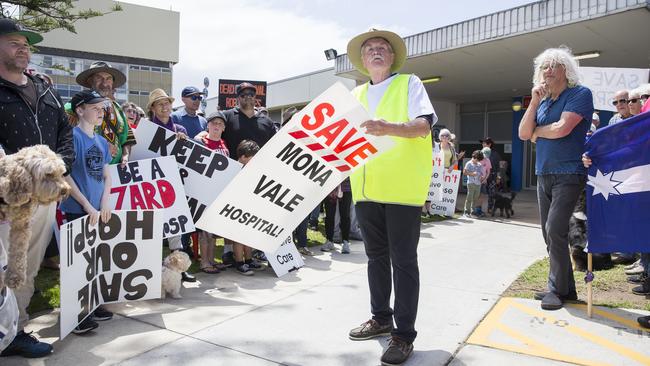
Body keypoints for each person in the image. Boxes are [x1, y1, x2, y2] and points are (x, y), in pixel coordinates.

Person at [345, 29, 437, 366]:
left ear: (392, 56)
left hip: (401, 190)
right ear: (363, 59)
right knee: (375, 259)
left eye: (383, 48)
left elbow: (423, 127)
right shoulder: (354, 94)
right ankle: (380, 317)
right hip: (366, 190)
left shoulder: (409, 83)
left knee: (403, 262)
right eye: (370, 48)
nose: (377, 51)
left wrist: (388, 128)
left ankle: (403, 335)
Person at [0, 19, 73, 358]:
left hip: (42, 202)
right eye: (14, 42)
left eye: (26, 43)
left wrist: (61, 170)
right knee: (2, 269)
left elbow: (64, 132)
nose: (24, 47)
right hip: (5, 201)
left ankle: (16, 330)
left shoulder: (44, 89)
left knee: (26, 268)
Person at [518, 47, 593, 311]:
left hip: (569, 172)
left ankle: (556, 289)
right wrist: (535, 102)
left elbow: (563, 128)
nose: (547, 71)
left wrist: (540, 131)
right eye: (544, 67)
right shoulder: (544, 101)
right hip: (543, 173)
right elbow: (524, 134)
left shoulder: (579, 94)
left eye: (553, 65)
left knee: (555, 229)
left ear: (566, 70)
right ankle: (566, 289)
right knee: (548, 234)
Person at [59, 89, 114, 334]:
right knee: (78, 264)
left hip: (97, 210)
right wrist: (86, 205)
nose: (100, 112)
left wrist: (105, 202)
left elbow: (106, 175)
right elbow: (65, 175)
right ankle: (77, 315)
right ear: (80, 110)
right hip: (76, 209)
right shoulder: (71, 137)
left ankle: (93, 304)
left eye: (102, 108)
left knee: (96, 260)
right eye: (95, 107)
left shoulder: (102, 141)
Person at [141, 89, 196, 283]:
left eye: (167, 103)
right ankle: (151, 270)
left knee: (175, 229)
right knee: (152, 227)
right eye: (160, 104)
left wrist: (184, 144)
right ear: (153, 108)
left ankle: (178, 270)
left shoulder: (180, 130)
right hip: (152, 184)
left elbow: (186, 158)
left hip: (173, 183)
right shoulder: (146, 129)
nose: (165, 107)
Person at [76, 61, 136, 165]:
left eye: (108, 79)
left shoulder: (117, 108)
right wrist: (101, 146)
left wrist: (125, 156)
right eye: (99, 78)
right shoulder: (77, 105)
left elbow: (127, 140)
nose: (104, 83)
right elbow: (69, 138)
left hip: (117, 172)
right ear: (90, 81)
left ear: (112, 83)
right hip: (88, 171)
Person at [196, 111, 230, 273]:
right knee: (204, 230)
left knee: (213, 228)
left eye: (220, 124)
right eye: (213, 123)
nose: (216, 126)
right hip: (204, 192)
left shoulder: (223, 143)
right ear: (207, 125)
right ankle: (204, 262)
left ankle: (211, 260)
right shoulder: (201, 142)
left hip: (219, 193)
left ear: (224, 128)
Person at [231, 140, 266, 275]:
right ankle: (239, 262)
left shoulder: (252, 169)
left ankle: (249, 259)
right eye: (253, 157)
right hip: (237, 207)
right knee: (238, 236)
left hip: (249, 205)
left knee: (248, 234)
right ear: (244, 156)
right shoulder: (234, 168)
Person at [220, 82, 276, 156]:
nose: (248, 97)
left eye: (251, 94)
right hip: (233, 166)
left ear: (255, 97)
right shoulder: (226, 116)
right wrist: (203, 135)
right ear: (238, 98)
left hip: (258, 166)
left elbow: (274, 146)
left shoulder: (267, 122)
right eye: (243, 95)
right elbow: (212, 136)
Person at [321, 178, 352, 254]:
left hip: (346, 186)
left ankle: (345, 242)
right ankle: (329, 241)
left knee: (345, 215)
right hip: (330, 185)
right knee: (329, 215)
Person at [463, 150, 484, 217]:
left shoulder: (479, 164)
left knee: (475, 198)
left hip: (478, 183)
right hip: (471, 183)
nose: (478, 161)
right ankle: (467, 211)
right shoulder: (469, 163)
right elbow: (464, 172)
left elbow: (481, 173)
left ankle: (473, 211)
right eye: (477, 160)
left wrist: (482, 177)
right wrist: (472, 174)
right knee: (469, 197)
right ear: (474, 157)